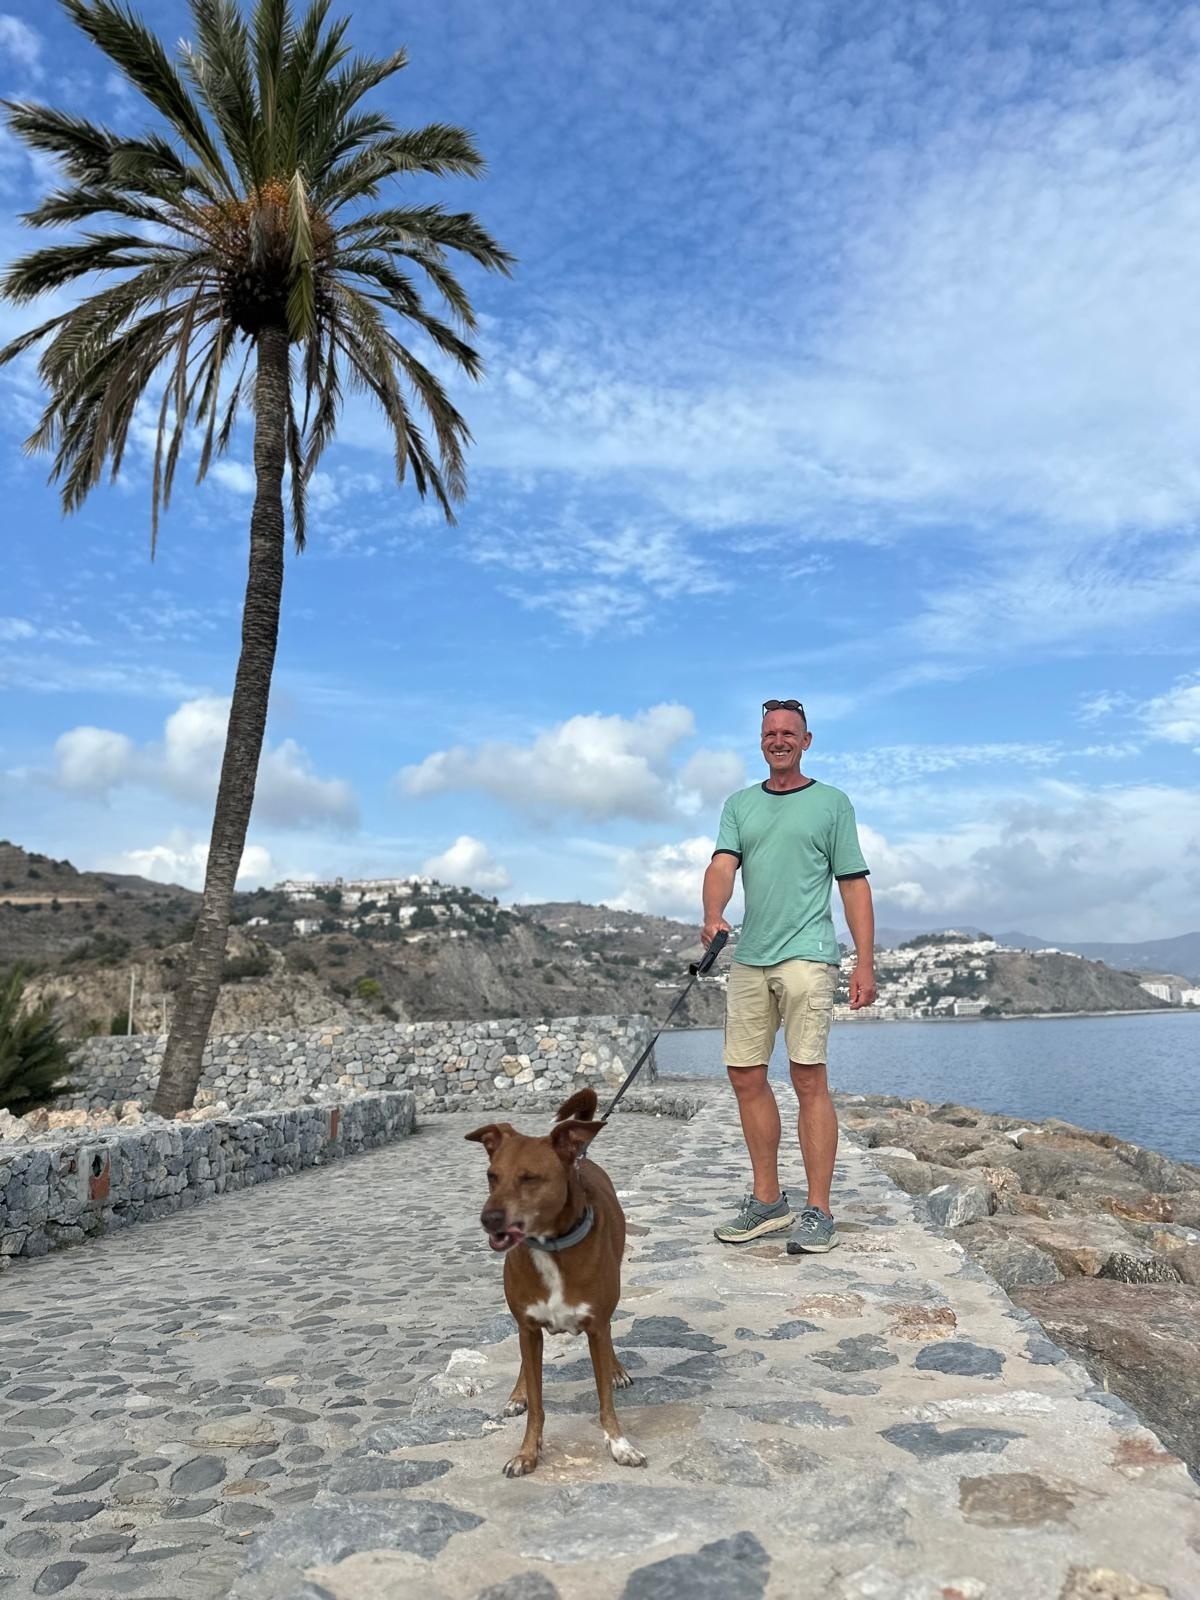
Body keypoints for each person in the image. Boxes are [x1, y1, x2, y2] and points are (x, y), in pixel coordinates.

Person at [701, 697, 876, 1254]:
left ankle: (819, 1209)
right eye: (770, 732)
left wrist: (863, 961)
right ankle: (768, 1200)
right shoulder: (739, 805)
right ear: (761, 741)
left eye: (789, 732)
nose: (778, 740)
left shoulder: (831, 804)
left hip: (808, 954)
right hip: (751, 955)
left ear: (806, 740)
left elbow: (853, 883)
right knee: (745, 1076)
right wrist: (712, 914)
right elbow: (722, 864)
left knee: (807, 1078)